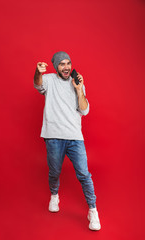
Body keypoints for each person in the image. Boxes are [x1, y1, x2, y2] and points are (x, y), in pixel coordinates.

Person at [33, 51, 101, 231]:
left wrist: (79, 90)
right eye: (62, 64)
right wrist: (38, 72)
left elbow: (84, 110)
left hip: (75, 137)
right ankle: (54, 195)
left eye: (68, 63)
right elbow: (38, 85)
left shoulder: (76, 82)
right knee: (54, 172)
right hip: (53, 135)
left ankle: (92, 210)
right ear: (56, 66)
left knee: (84, 174)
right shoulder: (48, 79)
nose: (66, 67)